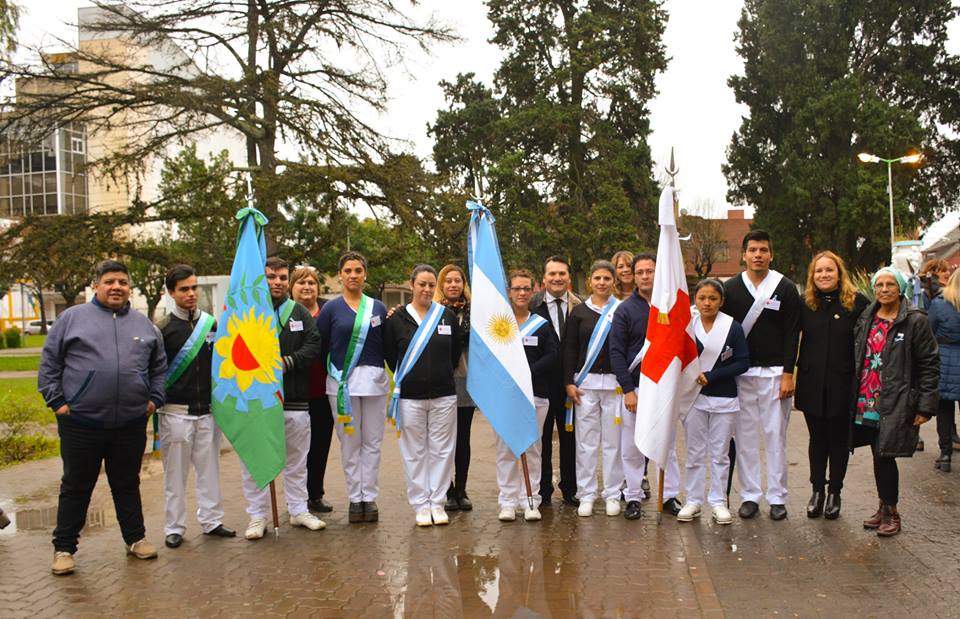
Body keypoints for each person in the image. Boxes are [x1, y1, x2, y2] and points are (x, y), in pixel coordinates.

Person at [39, 260, 167, 575]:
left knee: (127, 483)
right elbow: (50, 364)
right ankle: (64, 548)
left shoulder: (144, 325)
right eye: (109, 281)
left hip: (130, 423)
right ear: (95, 285)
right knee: (76, 486)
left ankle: (135, 539)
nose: (116, 287)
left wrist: (154, 399)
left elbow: (159, 368)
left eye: (122, 282)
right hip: (81, 423)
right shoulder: (71, 319)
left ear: (129, 288)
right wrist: (58, 402)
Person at [242, 257, 326, 540]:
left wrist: (287, 362)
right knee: (256, 461)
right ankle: (257, 515)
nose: (276, 282)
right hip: (258, 402)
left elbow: (313, 345)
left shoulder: (298, 312)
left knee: (297, 461)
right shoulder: (248, 311)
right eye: (270, 277)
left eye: (281, 277)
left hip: (295, 401)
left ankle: (298, 509)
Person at [854, 267, 938, 537]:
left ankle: (892, 512)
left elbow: (929, 363)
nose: (884, 289)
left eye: (890, 284)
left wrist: (925, 406)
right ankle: (883, 507)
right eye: (879, 285)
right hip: (867, 398)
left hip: (897, 400)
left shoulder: (915, 320)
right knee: (878, 453)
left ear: (900, 288)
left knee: (885, 454)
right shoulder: (867, 316)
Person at [155, 265, 235, 549]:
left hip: (208, 412)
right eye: (183, 289)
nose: (190, 294)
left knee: (210, 471)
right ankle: (174, 527)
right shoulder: (162, 329)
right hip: (175, 412)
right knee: (175, 475)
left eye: (193, 288)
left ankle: (212, 521)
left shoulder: (211, 325)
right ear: (171, 292)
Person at [723, 230, 800, 521]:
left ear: (771, 254)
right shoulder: (731, 289)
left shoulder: (785, 288)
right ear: (743, 254)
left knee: (775, 436)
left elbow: (792, 333)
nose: (758, 255)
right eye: (753, 250)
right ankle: (750, 495)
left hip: (775, 373)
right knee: (744, 437)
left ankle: (777, 497)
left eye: (763, 250)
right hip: (742, 374)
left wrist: (788, 373)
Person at [385, 264, 462, 527]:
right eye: (422, 284)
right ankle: (420, 504)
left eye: (431, 285)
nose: (427, 289)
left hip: (444, 394)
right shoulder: (397, 319)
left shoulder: (446, 316)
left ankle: (438, 503)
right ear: (412, 285)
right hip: (410, 396)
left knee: (442, 450)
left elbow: (454, 353)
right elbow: (390, 355)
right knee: (414, 452)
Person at [794, 251, 869, 519]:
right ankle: (817, 490)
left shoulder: (857, 303)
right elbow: (789, 336)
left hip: (843, 382)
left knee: (838, 440)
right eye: (819, 271)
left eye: (829, 270)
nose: (824, 275)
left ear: (839, 273)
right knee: (817, 440)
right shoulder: (805, 303)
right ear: (812, 276)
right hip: (812, 381)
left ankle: (835, 491)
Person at [316, 252, 389, 523]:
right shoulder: (331, 309)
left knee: (372, 442)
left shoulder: (378, 308)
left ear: (365, 274)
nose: (353, 275)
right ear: (340, 275)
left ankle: (369, 496)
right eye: (348, 270)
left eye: (358, 270)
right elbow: (321, 345)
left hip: (374, 384)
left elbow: (387, 343)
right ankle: (355, 498)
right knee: (350, 442)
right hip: (342, 386)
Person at [610, 253, 682, 519]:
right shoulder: (625, 310)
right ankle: (633, 496)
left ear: (658, 272)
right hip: (637, 388)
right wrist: (628, 390)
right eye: (639, 272)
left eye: (649, 271)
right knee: (631, 448)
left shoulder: (670, 306)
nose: (644, 276)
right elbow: (616, 352)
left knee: (668, 445)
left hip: (665, 388)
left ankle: (670, 495)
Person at [677, 279, 750, 525]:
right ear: (695, 300)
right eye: (702, 298)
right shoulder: (688, 327)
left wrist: (713, 375)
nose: (707, 303)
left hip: (724, 398)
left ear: (721, 301)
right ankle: (693, 500)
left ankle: (719, 501)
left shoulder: (732, 327)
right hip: (693, 397)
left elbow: (742, 362)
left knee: (720, 453)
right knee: (694, 452)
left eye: (713, 298)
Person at [495, 269, 559, 523]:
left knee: (532, 447)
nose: (521, 293)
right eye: (516, 289)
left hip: (536, 394)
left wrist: (526, 373)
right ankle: (508, 501)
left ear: (533, 291)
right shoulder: (499, 325)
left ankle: (530, 499)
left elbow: (552, 355)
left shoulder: (541, 325)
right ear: (509, 292)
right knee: (506, 449)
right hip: (504, 397)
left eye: (526, 288)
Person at [563, 260, 624, 517]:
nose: (601, 283)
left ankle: (612, 494)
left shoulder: (621, 310)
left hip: (614, 385)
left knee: (613, 443)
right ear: (590, 281)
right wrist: (568, 382)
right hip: (584, 386)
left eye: (606, 278)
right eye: (597, 278)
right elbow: (569, 348)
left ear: (614, 282)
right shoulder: (579, 312)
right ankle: (586, 494)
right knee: (586, 443)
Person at [530, 256, 581, 506]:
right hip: (541, 384)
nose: (557, 278)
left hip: (571, 384)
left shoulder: (580, 305)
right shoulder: (532, 306)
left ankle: (570, 488)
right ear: (544, 278)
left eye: (562, 273)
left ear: (568, 277)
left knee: (570, 438)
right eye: (552, 274)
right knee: (541, 440)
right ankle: (543, 490)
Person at [289, 265, 334, 514]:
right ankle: (295, 497)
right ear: (291, 287)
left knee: (319, 445)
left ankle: (315, 494)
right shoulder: (284, 312)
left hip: (323, 390)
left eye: (312, 283)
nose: (307, 287)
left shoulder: (328, 311)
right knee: (295, 449)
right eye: (301, 282)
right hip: (294, 392)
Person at [434, 264, 475, 512]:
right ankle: (446, 489)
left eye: (457, 280)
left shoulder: (475, 312)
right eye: (448, 281)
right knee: (443, 439)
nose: (453, 285)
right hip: (442, 381)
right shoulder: (434, 312)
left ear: (463, 284)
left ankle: (461, 489)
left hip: (466, 381)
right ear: (442, 285)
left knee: (463, 438)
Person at [927, 268, 960, 473]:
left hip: (945, 361)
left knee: (944, 410)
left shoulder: (939, 304)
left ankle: (945, 453)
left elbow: (929, 332)